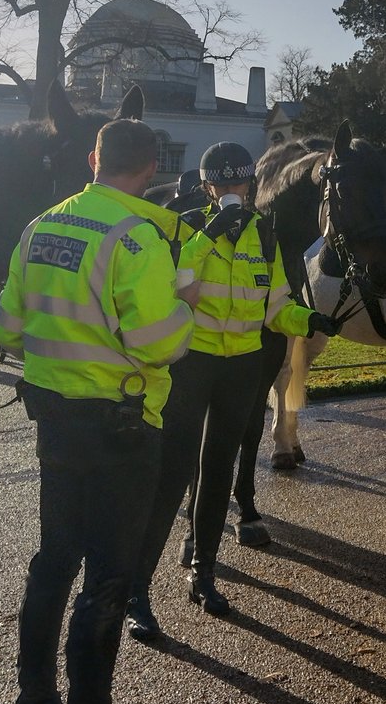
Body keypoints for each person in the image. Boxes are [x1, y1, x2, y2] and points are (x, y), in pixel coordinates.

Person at [0, 118, 197, 704]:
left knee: (53, 562)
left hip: (54, 423)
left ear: (94, 159)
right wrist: (184, 299)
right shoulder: (139, 239)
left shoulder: (43, 225)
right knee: (107, 580)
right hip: (122, 430)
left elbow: (8, 326)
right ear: (153, 169)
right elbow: (160, 344)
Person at [125, 141, 338, 641]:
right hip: (192, 364)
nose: (232, 193)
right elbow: (171, 288)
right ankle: (137, 588)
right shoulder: (185, 228)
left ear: (251, 186)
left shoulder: (266, 234)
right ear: (207, 188)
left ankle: (203, 573)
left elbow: (274, 307)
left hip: (241, 367)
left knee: (218, 470)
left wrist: (309, 319)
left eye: (239, 184)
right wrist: (207, 237)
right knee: (173, 472)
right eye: (222, 185)